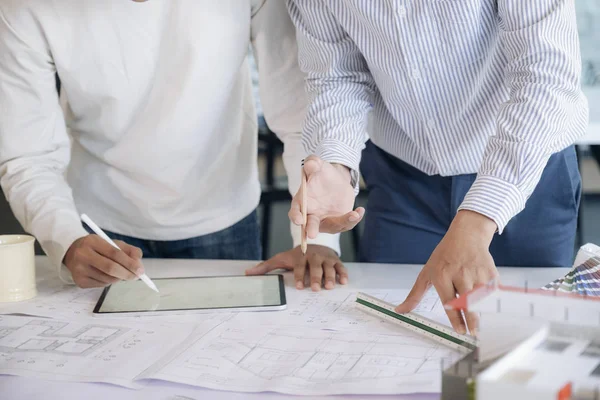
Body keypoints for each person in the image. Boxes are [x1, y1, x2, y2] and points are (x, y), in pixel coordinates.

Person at [286, 0, 589, 334]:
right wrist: (337, 162)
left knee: (526, 334)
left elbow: (546, 74)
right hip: (403, 177)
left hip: (525, 171)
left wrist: (479, 217)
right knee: (393, 333)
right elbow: (338, 76)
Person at [0, 0, 345, 290]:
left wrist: (315, 239)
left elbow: (298, 117)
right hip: (97, 229)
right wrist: (66, 240)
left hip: (222, 219)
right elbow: (28, 156)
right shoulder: (24, 7)